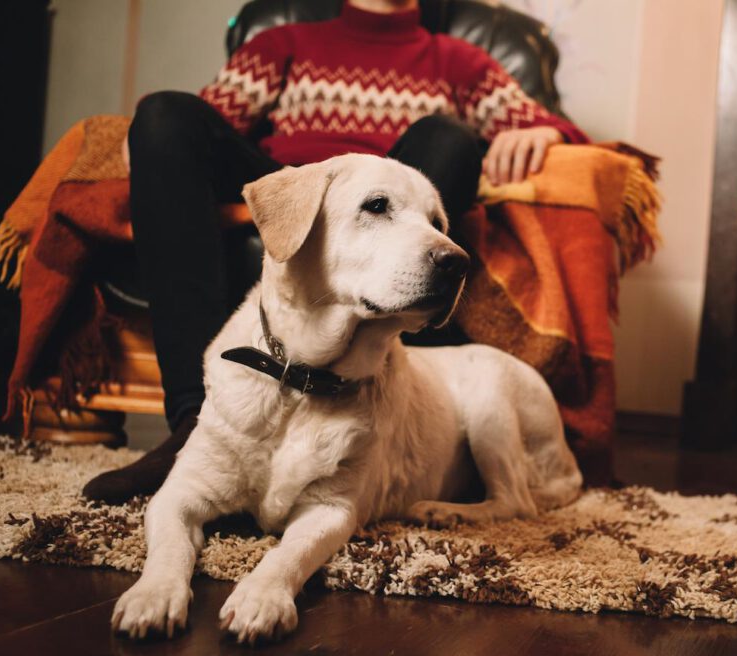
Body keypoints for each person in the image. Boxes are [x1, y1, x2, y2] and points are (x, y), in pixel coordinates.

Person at [82, 0, 589, 503]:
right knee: (162, 111)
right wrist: (152, 138)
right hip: (303, 197)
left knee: (450, 138)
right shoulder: (281, 44)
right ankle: (194, 422)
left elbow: (558, 126)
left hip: (396, 208)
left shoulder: (463, 63)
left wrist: (544, 130)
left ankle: (374, 422)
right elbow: (199, 120)